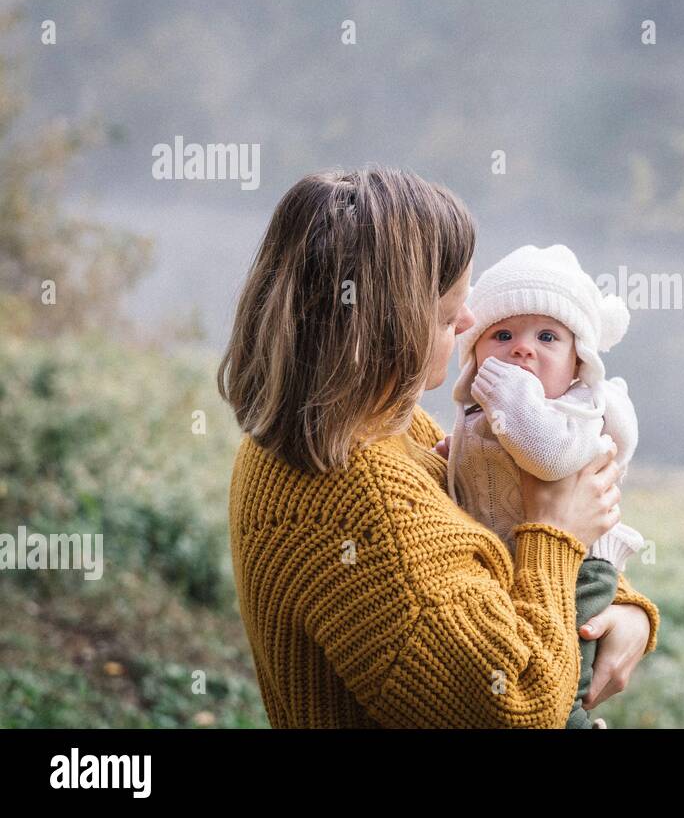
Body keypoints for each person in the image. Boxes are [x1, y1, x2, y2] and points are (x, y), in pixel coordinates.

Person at [218, 165, 659, 728]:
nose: (472, 321)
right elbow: (521, 705)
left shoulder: (374, 428)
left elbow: (490, 531)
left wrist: (623, 606)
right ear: (384, 324)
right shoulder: (364, 505)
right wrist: (557, 536)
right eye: (451, 313)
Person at [442, 243, 647, 728]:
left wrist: (512, 399)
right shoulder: (488, 413)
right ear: (474, 353)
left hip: (577, 573)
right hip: (518, 565)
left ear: (579, 362)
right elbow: (487, 462)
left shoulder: (572, 411)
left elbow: (550, 460)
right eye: (504, 334)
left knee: (562, 688)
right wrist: (453, 456)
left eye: (548, 337)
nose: (522, 348)